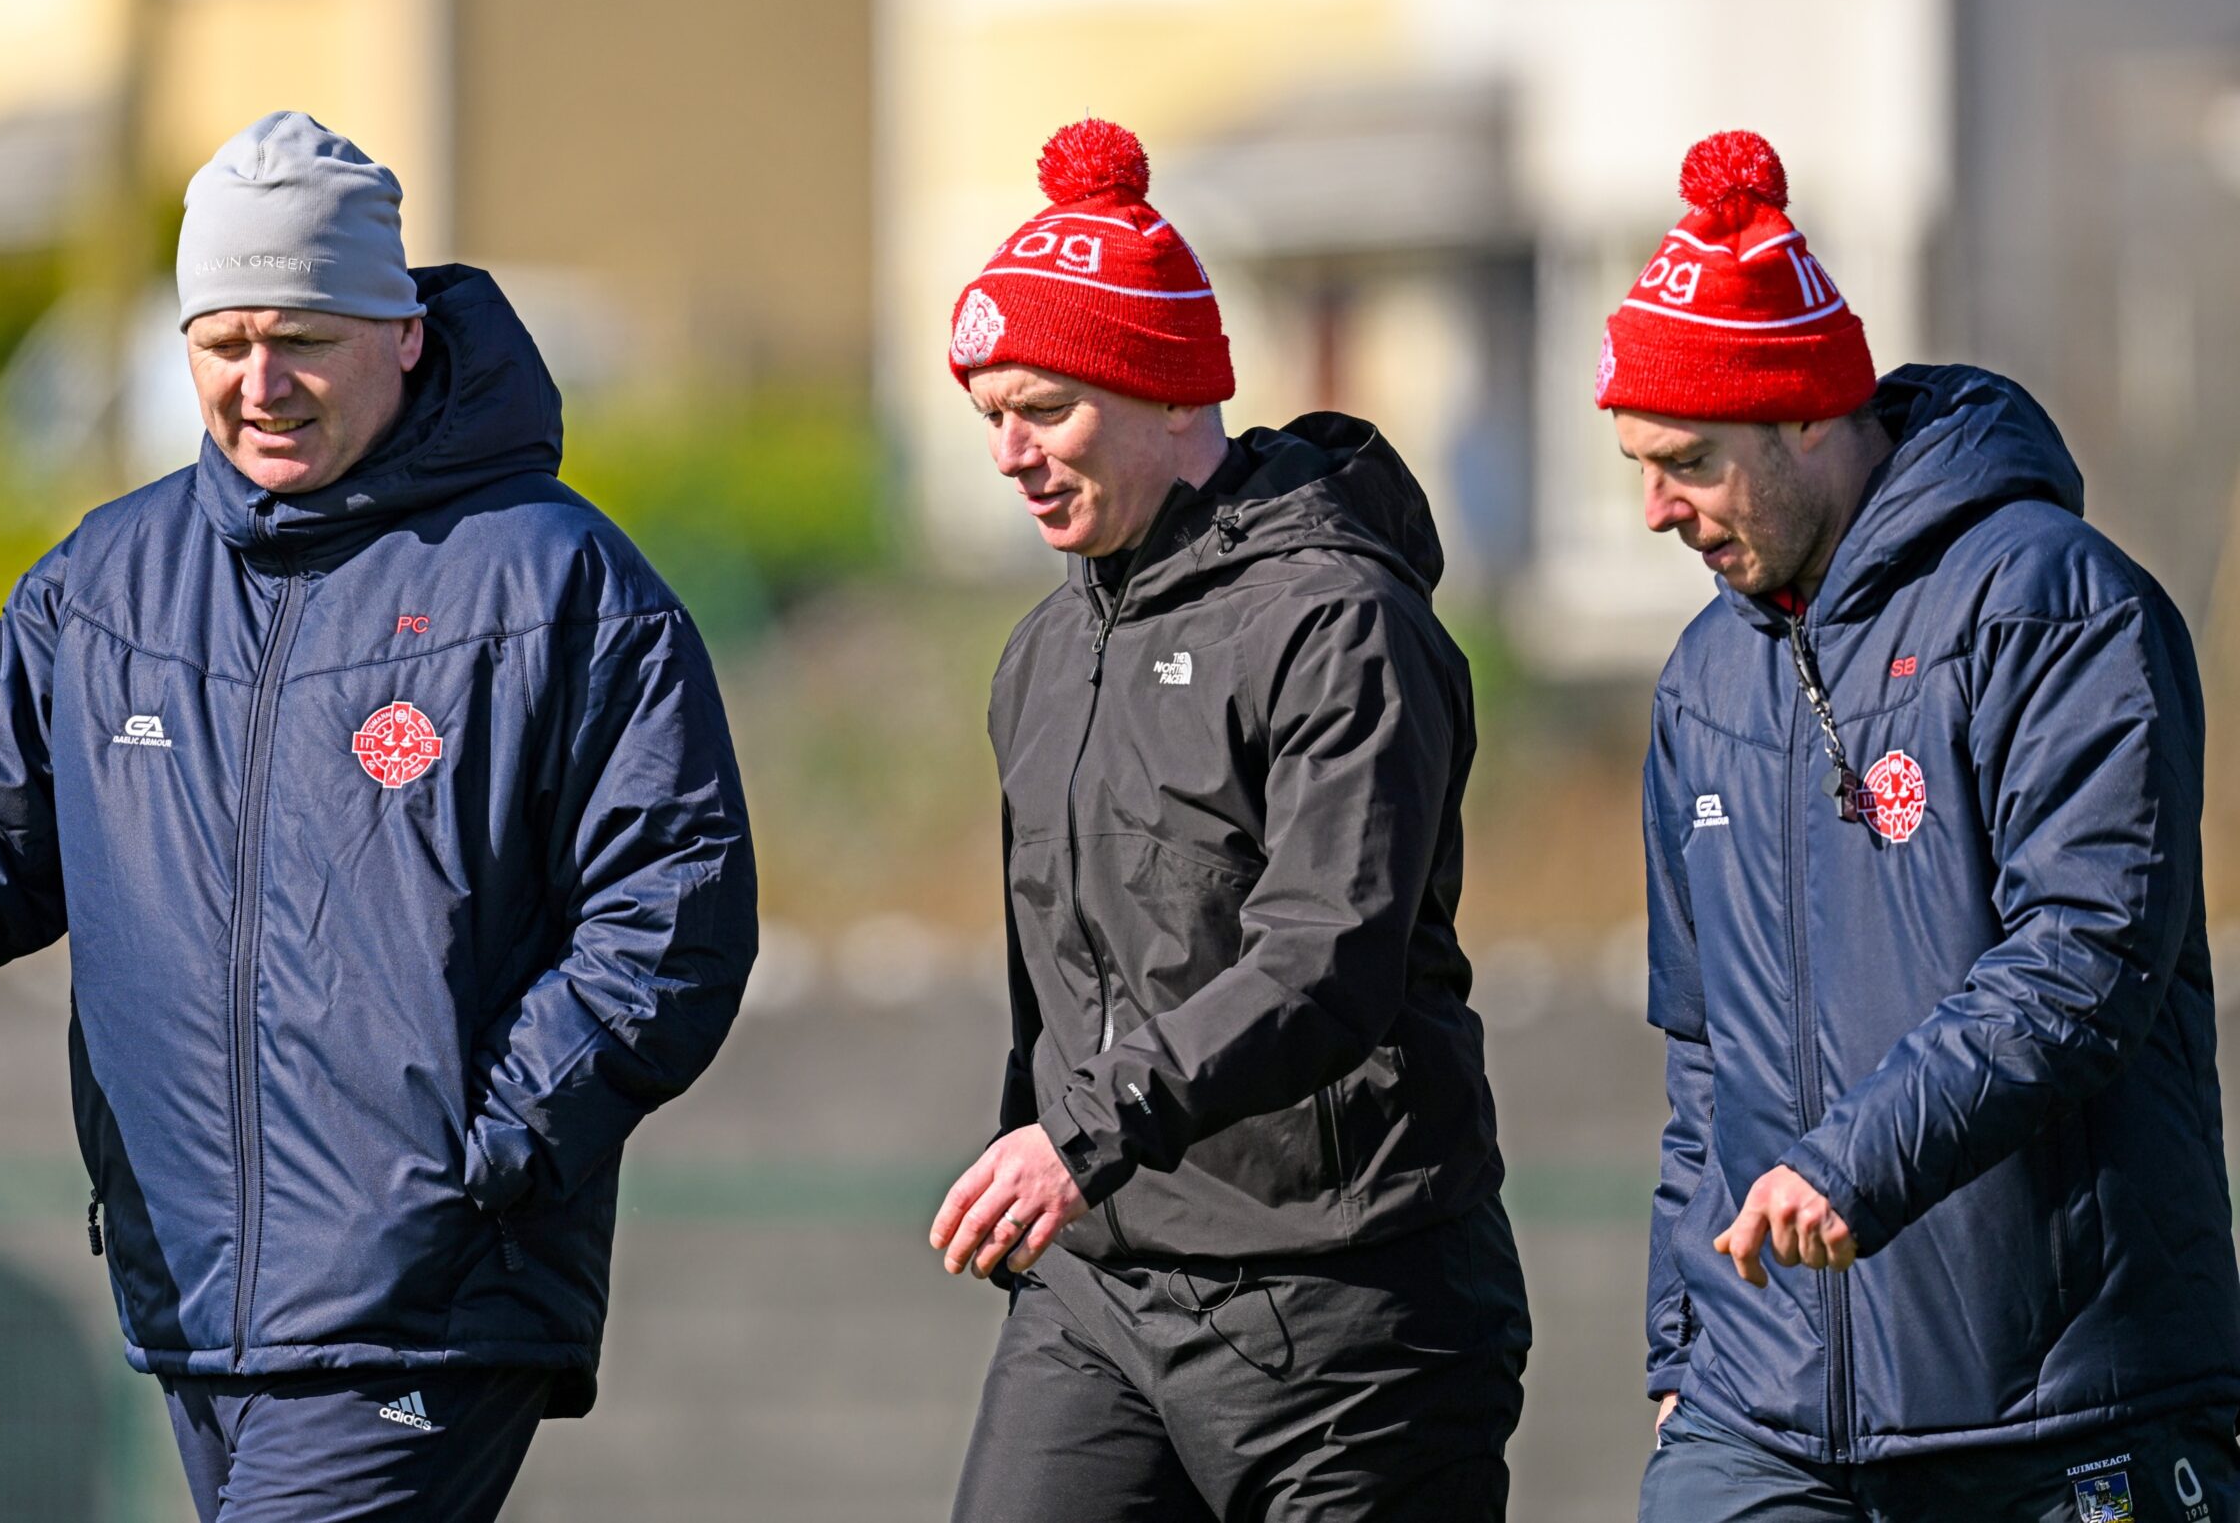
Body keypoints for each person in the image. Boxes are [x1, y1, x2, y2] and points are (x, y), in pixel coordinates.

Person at [0, 112, 758, 1522]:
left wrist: (485, 1146)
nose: (261, 384)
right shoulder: (103, 585)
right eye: (223, 341)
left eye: (303, 339)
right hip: (193, 1296)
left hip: (429, 1297)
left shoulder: (561, 584)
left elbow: (675, 908)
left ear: (403, 335)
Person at [1609, 130, 2240, 1521]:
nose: (1656, 508)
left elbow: (2082, 959)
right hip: (1759, 1416)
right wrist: (1682, 1348)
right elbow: (1703, 1053)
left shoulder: (2055, 606)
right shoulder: (1704, 679)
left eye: (1689, 462)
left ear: (1804, 419)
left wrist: (1854, 1162)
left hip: (2057, 1409)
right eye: (1640, 464)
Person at [929, 118, 1530, 1521]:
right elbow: (1055, 976)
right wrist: (1054, 1160)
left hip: (1349, 1307)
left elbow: (1327, 959)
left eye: (1045, 408)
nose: (1011, 453)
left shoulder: (1339, 622)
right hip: (1102, 1290)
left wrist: (1080, 1135)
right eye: (990, 415)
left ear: (1165, 389)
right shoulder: (1042, 650)